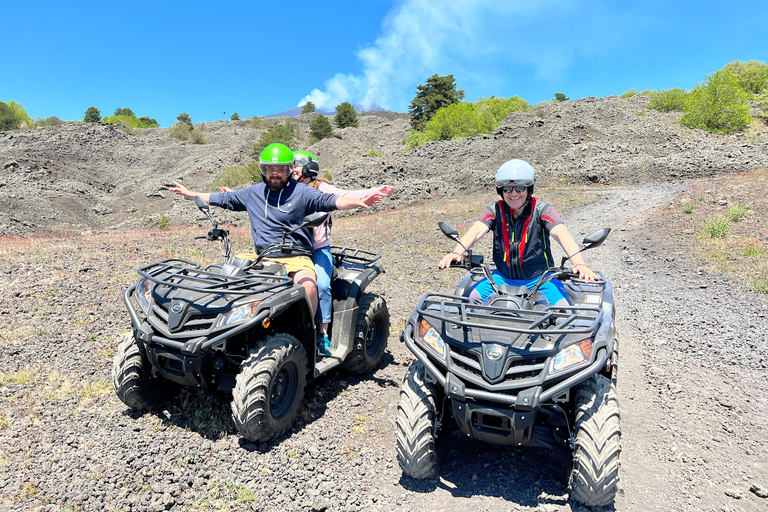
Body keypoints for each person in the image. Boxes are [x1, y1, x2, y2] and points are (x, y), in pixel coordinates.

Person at [169, 143, 379, 334]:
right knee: (224, 273)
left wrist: (358, 202)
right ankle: (217, 328)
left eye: (280, 169)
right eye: (270, 169)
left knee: (309, 285)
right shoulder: (254, 193)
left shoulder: (302, 192)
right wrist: (189, 193)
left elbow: (330, 200)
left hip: (296, 255)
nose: (275, 174)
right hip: (261, 255)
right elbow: (222, 198)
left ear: (289, 170)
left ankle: (309, 334)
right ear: (264, 170)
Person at [438, 159, 596, 305]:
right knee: (466, 303)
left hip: (540, 279)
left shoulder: (541, 209)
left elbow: (561, 234)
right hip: (501, 278)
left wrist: (579, 263)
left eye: (520, 188)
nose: (514, 194)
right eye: (508, 189)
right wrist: (457, 252)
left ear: (529, 189)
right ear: (501, 191)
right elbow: (476, 230)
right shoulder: (496, 209)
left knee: (565, 311)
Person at [292, 150, 393, 355]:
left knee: (321, 285)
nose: (291, 169)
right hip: (293, 250)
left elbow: (345, 195)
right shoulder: (287, 188)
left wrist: (371, 191)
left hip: (318, 249)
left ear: (308, 169)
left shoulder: (320, 187)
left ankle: (322, 336)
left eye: (295, 165)